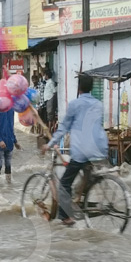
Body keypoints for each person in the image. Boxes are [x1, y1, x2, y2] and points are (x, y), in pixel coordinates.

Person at [40, 73, 109, 225]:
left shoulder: (74, 105)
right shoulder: (98, 104)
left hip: (83, 149)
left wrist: (50, 144)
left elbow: (63, 128)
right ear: (91, 88)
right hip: (100, 148)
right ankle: (82, 200)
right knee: (85, 176)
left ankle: (66, 217)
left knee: (64, 183)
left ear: (79, 88)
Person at [0, 100, 19, 184]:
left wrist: (15, 141)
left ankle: (8, 186)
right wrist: (0, 140)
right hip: (0, 142)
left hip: (9, 141)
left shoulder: (11, 109)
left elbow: (11, 126)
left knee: (8, 164)